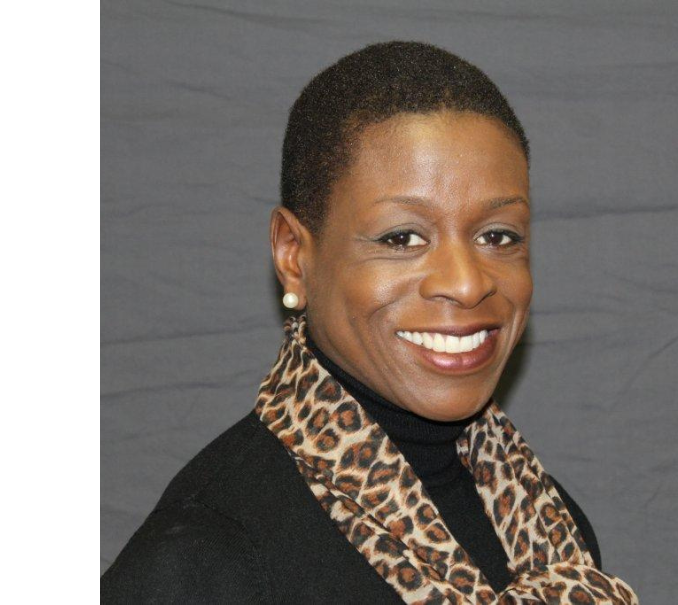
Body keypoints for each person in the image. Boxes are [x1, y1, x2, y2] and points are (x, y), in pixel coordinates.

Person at [102, 41, 638, 604]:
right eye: (402, 237)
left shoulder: (543, 523)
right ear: (293, 256)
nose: (466, 281)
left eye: (497, 236)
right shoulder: (212, 556)